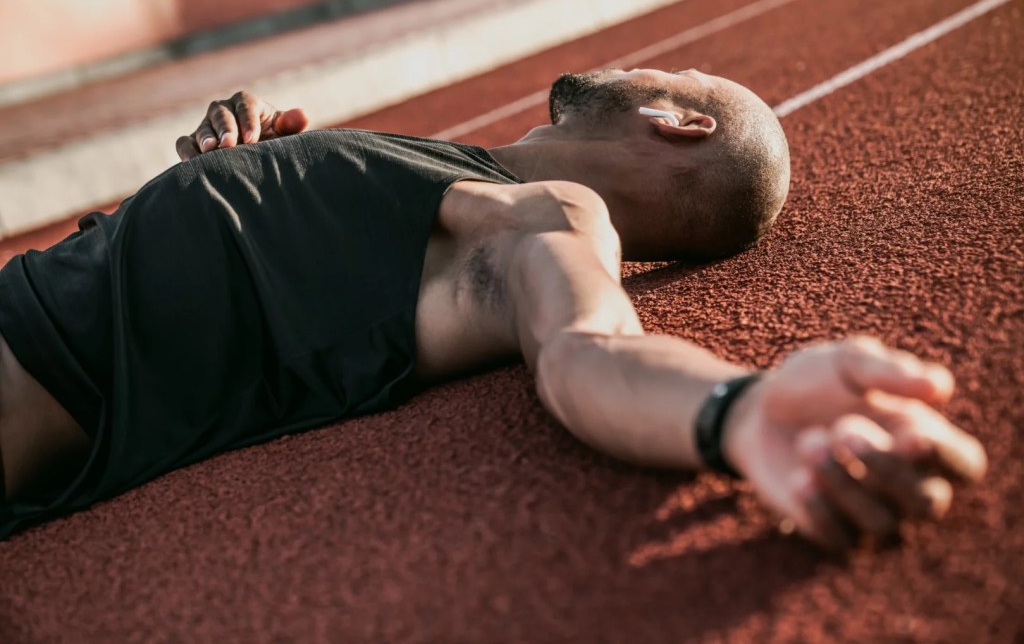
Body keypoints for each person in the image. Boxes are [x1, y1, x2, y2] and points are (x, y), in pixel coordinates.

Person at [0, 69, 986, 548]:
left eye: (679, 70)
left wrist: (737, 408)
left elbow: (586, 346)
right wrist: (238, 171)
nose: (640, 60)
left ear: (679, 121)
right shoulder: (454, 179)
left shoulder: (546, 215)